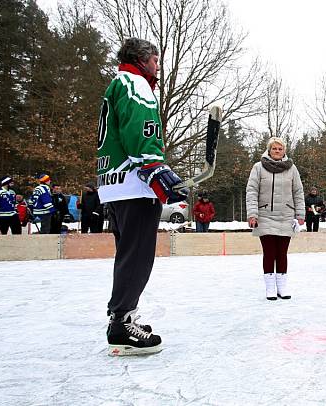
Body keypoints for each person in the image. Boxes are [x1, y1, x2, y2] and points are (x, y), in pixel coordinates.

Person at [98, 37, 189, 355]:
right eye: (155, 59)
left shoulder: (117, 83)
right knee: (138, 256)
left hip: (115, 183)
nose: (158, 65)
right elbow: (140, 130)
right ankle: (122, 324)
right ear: (142, 59)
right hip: (134, 183)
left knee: (127, 254)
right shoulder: (136, 83)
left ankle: (122, 316)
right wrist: (155, 170)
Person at [246, 137, 305, 300]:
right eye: (274, 149)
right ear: (269, 150)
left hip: (286, 216)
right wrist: (252, 214)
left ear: (284, 151)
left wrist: (300, 214)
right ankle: (270, 288)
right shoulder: (258, 168)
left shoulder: (292, 169)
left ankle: (282, 287)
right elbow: (251, 192)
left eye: (280, 149)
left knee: (282, 253)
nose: (277, 151)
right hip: (264, 216)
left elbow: (298, 192)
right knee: (269, 252)